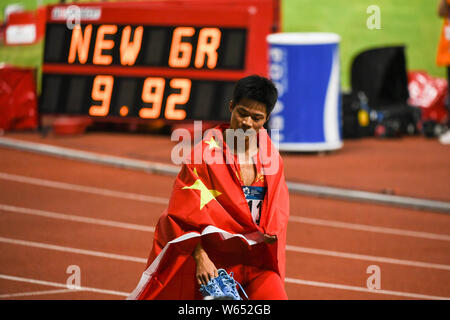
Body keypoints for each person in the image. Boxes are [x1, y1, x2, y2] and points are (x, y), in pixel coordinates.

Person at [127, 75, 290, 300]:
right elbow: (178, 217)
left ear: (267, 118)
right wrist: (201, 258)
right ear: (231, 107)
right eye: (242, 113)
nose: (247, 123)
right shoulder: (201, 158)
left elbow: (277, 213)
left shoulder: (272, 158)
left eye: (257, 117)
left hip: (257, 265)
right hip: (215, 268)